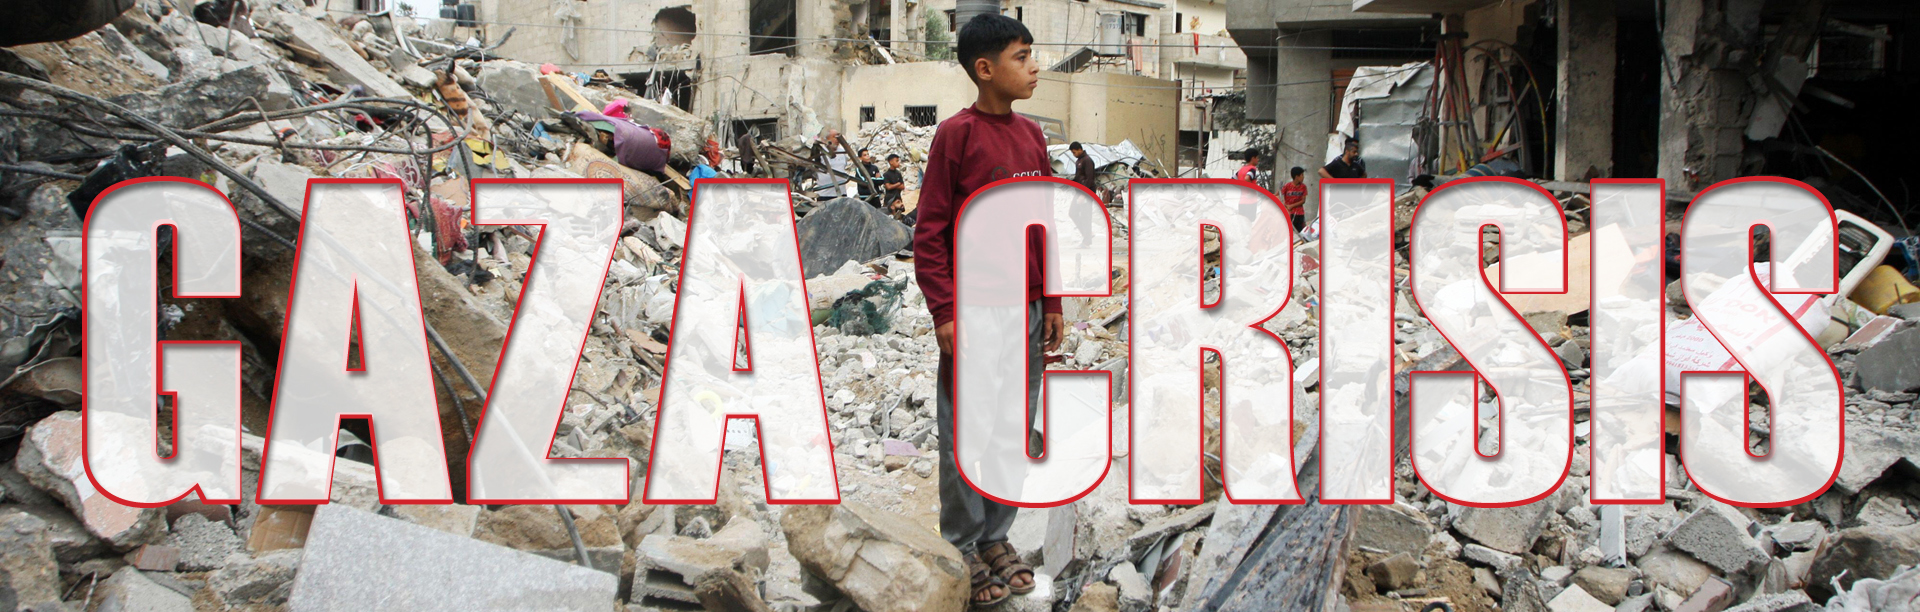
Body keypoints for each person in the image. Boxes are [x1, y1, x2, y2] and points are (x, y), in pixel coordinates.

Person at [912, 12, 1056, 608]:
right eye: (1023, 57)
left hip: (1023, 313)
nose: (1035, 67)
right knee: (966, 431)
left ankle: (998, 535)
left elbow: (1042, 223)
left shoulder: (1033, 136)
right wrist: (945, 312)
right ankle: (964, 543)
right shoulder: (958, 136)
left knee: (1009, 428)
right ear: (985, 69)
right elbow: (930, 231)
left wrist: (1051, 298)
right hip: (973, 314)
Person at [1069, 142, 1097, 246]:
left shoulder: (1087, 160)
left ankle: (1087, 241)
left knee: (1086, 216)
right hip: (1079, 191)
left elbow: (1090, 179)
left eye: (1074, 152)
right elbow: (1079, 177)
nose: (1074, 154)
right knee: (1072, 213)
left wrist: (1083, 195)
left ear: (1080, 149)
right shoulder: (1079, 161)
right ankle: (1087, 233)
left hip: (1086, 192)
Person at [1280, 166, 1308, 232]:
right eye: (1302, 175)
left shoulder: (1303, 187)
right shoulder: (1287, 186)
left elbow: (1303, 201)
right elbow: (1280, 194)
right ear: (1296, 177)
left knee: (1300, 231)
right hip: (1289, 213)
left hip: (1299, 213)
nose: (1303, 177)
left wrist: (1291, 206)